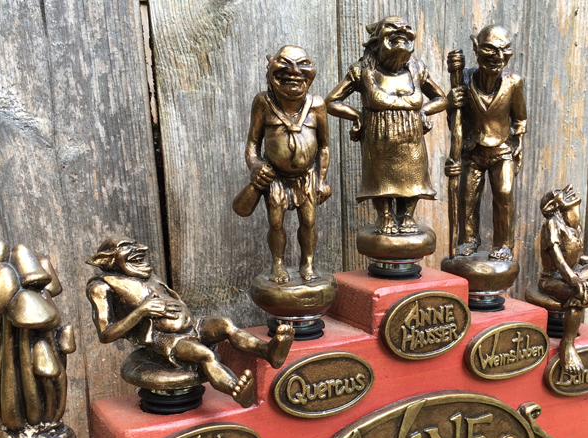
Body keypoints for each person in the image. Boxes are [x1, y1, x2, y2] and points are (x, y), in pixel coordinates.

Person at [86, 236, 294, 406]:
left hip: (193, 326)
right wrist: (142, 311)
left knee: (225, 324)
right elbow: (105, 334)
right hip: (165, 339)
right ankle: (236, 390)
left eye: (135, 244)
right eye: (126, 246)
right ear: (107, 260)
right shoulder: (101, 286)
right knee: (204, 354)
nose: (141, 248)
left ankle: (268, 352)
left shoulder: (143, 273)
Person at [326, 16, 447, 235]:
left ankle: (407, 216)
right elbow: (332, 102)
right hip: (378, 136)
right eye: (392, 30)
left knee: (413, 177)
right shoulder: (362, 70)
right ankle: (385, 215)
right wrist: (357, 116)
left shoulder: (417, 69)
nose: (401, 32)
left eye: (406, 31)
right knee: (380, 180)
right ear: (376, 41)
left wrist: (423, 111)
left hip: (411, 137)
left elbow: (441, 99)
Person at [241, 46, 331, 283]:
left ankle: (308, 263)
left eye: (302, 65)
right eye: (285, 65)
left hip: (307, 176)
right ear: (271, 71)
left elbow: (324, 146)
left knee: (309, 222)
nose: (294, 72)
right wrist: (255, 166)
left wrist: (322, 180)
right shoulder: (263, 102)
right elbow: (252, 145)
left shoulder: (317, 104)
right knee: (275, 223)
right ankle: (277, 264)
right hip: (275, 177)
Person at [447, 25, 526, 261]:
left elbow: (520, 118)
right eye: (490, 49)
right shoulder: (464, 79)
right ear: (476, 48)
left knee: (504, 193)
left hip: (502, 149)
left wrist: (519, 142)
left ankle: (504, 245)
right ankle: (468, 240)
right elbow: (454, 120)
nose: (498, 57)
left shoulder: (514, 83)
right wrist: (451, 103)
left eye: (505, 50)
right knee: (467, 197)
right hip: (473, 150)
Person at [537, 186, 588, 373]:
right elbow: (558, 259)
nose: (577, 212)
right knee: (580, 293)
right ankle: (567, 343)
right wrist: (574, 280)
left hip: (575, 273)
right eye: (572, 207)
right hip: (552, 279)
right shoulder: (551, 224)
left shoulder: (575, 227)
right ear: (556, 208)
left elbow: (580, 258)